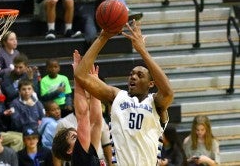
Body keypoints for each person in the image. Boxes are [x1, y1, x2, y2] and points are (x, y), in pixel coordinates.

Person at [73, 20, 174, 165]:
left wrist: (142, 51)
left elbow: (168, 92)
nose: (133, 76)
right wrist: (103, 38)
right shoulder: (117, 96)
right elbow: (81, 75)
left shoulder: (156, 103)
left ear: (151, 84)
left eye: (140, 75)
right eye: (132, 74)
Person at [52, 55, 104, 165]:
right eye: (74, 137)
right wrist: (78, 77)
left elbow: (95, 122)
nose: (80, 136)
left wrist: (94, 84)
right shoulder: (79, 158)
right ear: (69, 150)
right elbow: (83, 115)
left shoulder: (88, 153)